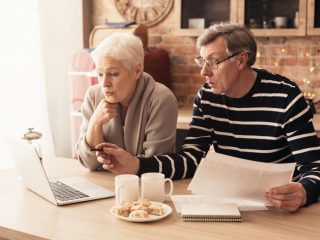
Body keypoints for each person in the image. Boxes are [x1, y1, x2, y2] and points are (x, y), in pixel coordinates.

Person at [95, 23, 320, 212]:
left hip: (278, 210)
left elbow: (314, 167)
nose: (204, 72)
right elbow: (191, 159)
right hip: (229, 207)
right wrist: (136, 165)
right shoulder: (207, 97)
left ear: (241, 60)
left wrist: (304, 192)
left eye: (212, 61)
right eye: (201, 62)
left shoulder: (285, 95)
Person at [76, 32, 178, 170]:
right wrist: (95, 122)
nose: (104, 83)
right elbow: (89, 163)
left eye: (113, 74)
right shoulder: (93, 95)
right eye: (100, 74)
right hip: (105, 185)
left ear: (137, 71)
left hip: (145, 189)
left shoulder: (161, 99)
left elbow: (154, 166)